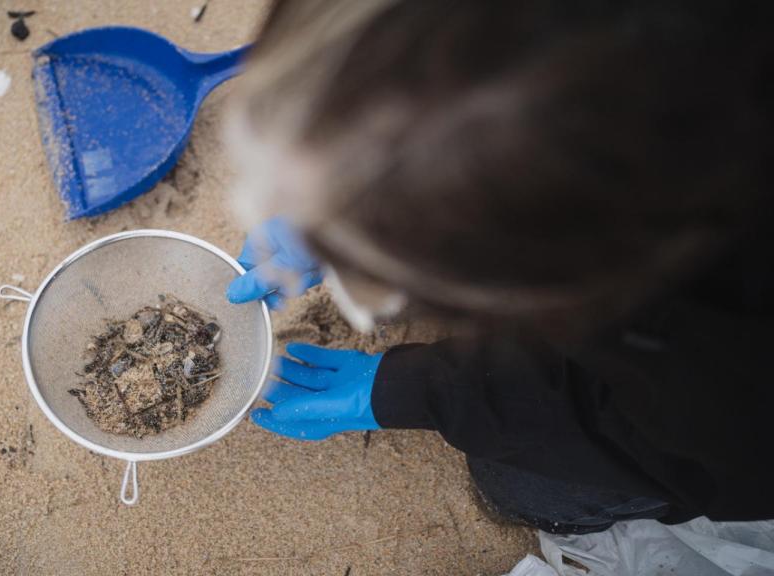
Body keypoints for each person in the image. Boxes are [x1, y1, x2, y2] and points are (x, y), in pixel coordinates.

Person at [222, 0, 773, 535]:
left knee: (524, 485)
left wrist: (423, 390)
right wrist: (334, 201)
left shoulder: (723, 367)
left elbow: (658, 440)